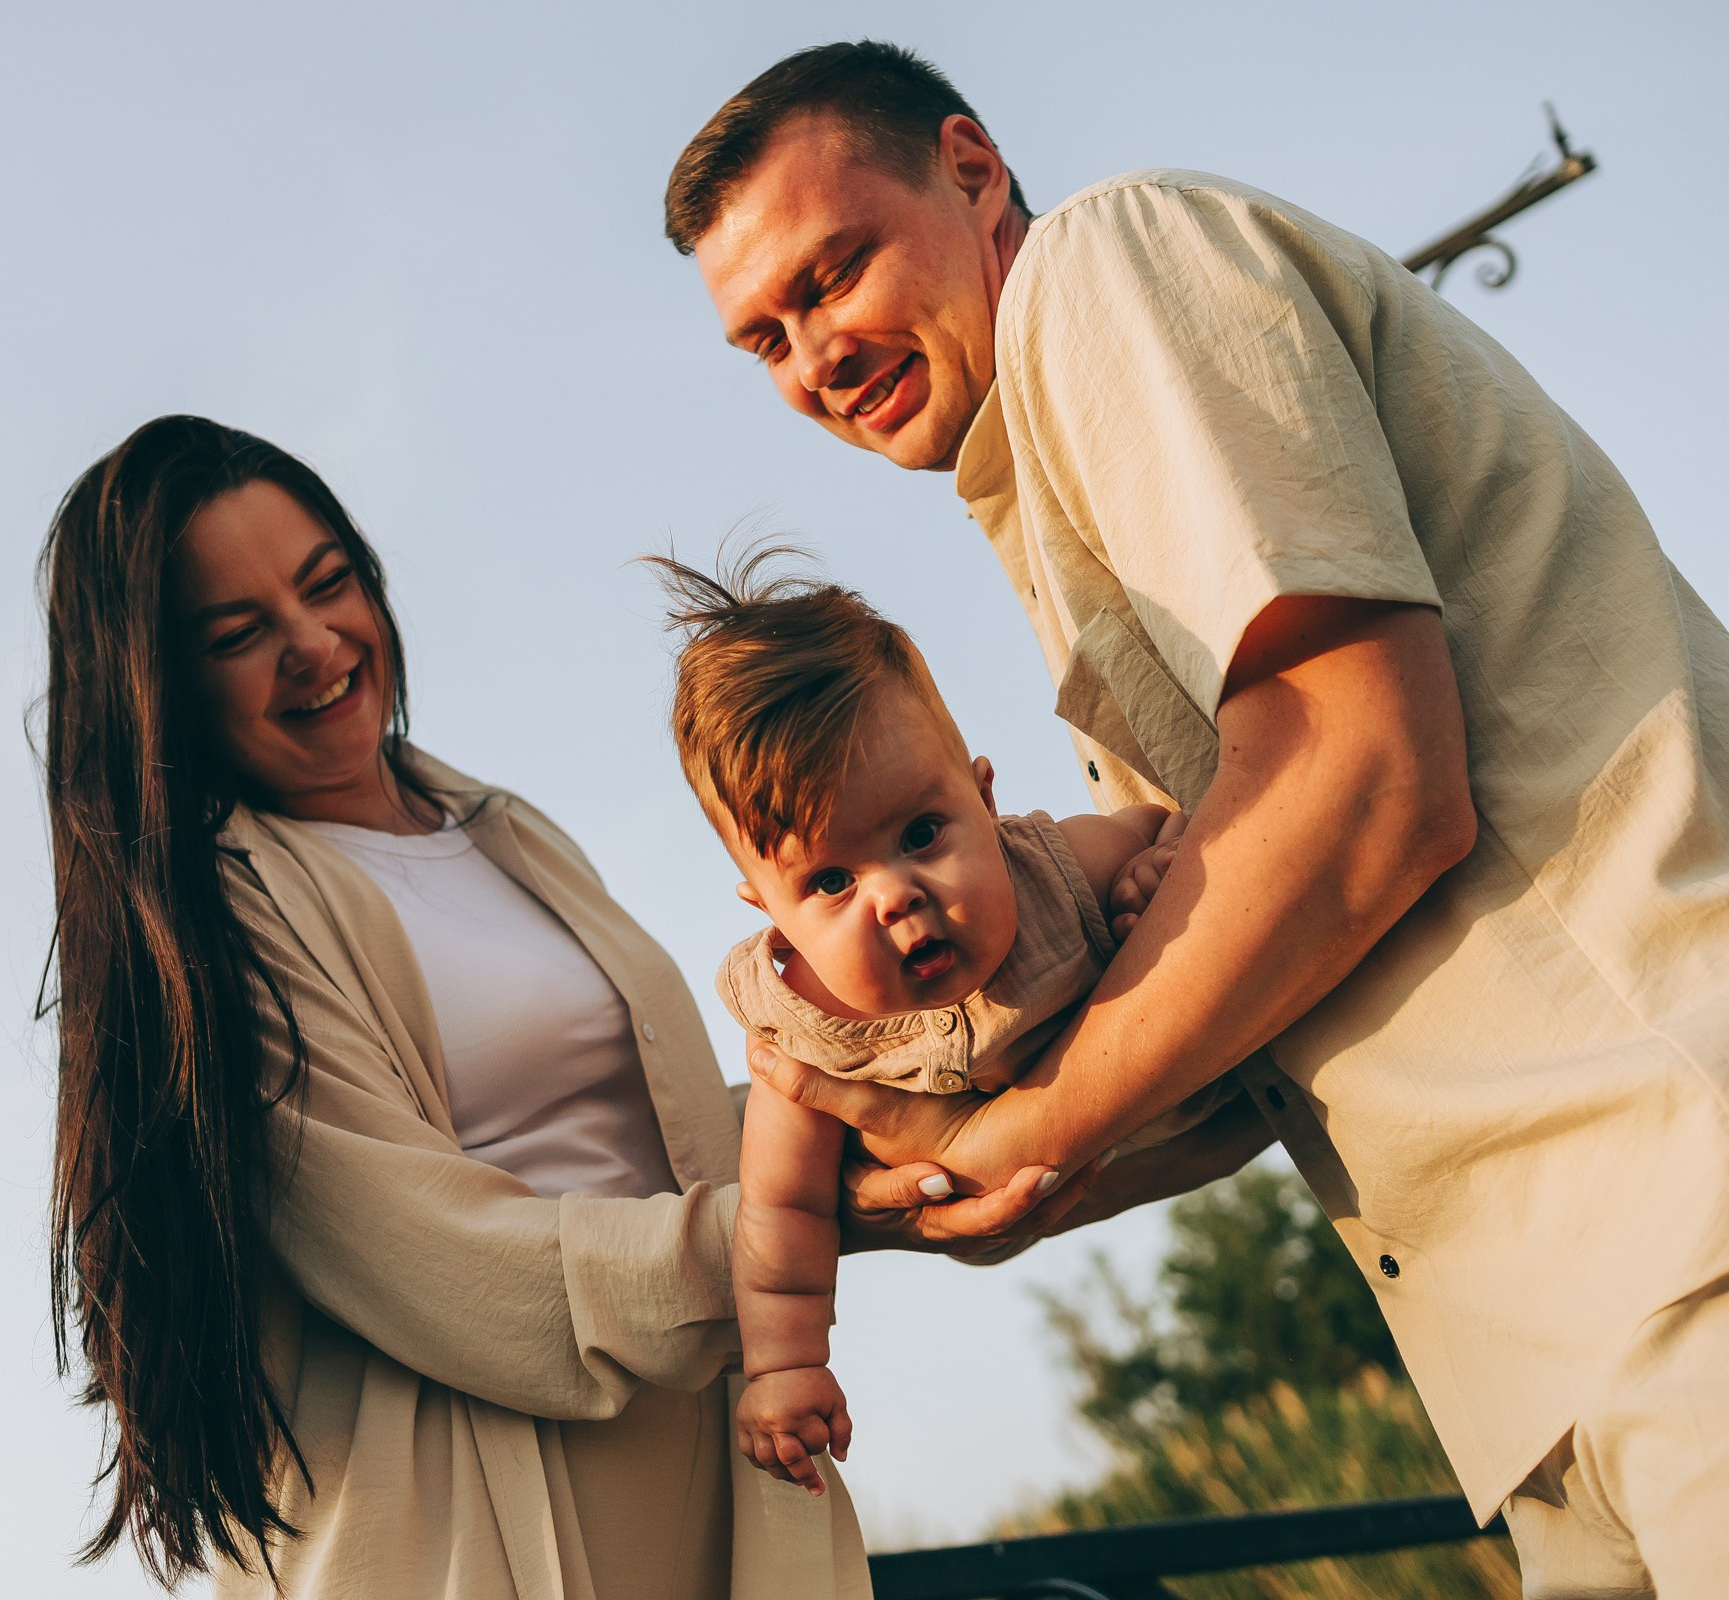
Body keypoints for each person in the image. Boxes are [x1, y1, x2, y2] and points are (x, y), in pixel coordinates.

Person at [664, 40, 1729, 1597]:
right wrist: (903, 1183)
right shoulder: (1044, 501)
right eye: (766, 336)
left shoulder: (1106, 263)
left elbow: (1364, 785)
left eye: (834, 275)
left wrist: (1024, 1133)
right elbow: (1239, 1031)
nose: (814, 352)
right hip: (1538, 1352)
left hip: (1672, 1196)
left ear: (970, 169)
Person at [38, 415, 985, 1598]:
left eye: (328, 583)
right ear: (161, 688)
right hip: (458, 1531)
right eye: (239, 634)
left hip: (708, 1462)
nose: (314, 643)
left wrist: (910, 1092)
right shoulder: (220, 923)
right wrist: (797, 1224)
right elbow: (438, 1263)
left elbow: (672, 1130)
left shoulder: (497, 825)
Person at [650, 552, 1219, 1496]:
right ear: (770, 914)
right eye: (830, 882)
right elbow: (784, 1209)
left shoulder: (1059, 872)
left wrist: (1158, 871)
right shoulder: (807, 1037)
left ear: (985, 801)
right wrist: (787, 1365)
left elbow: (1194, 828)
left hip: (1201, 1128)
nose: (896, 898)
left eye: (921, 835)